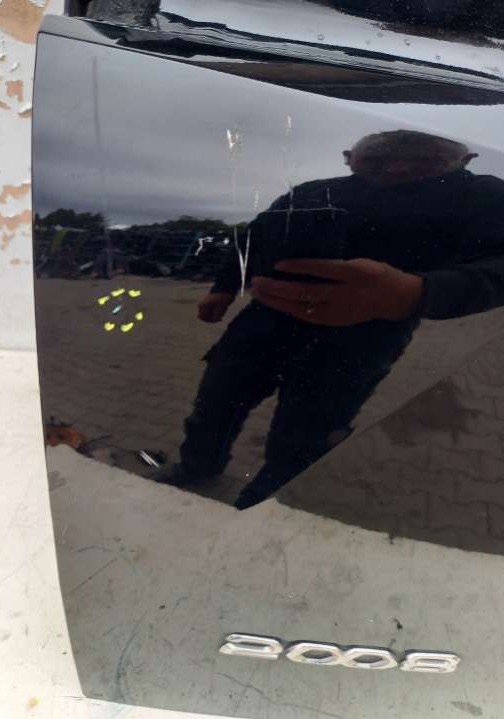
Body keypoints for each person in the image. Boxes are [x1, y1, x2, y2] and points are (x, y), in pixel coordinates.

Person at [156, 129, 504, 509]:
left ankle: (262, 504)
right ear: (348, 158)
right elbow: (257, 235)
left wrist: (420, 291)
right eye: (379, 159)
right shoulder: (315, 190)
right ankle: (197, 468)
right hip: (264, 322)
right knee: (216, 403)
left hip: (363, 337)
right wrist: (224, 287)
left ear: (465, 161)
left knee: (307, 433)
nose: (400, 167)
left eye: (425, 159)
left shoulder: (480, 194)